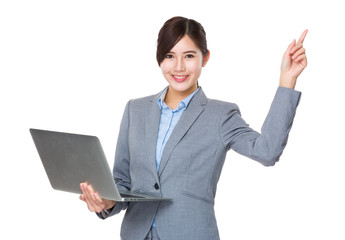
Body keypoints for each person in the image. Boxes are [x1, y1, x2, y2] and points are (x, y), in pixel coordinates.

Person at [80, 16, 308, 240]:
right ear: (159, 58)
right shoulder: (135, 110)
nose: (179, 66)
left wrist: (286, 80)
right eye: (170, 56)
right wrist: (106, 202)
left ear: (205, 58)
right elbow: (122, 183)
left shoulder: (221, 115)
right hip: (136, 233)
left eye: (189, 56)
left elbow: (267, 151)